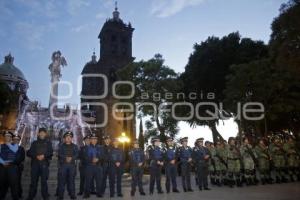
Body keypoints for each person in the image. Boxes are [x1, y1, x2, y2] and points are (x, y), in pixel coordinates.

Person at [26, 128, 53, 200]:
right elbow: (30, 152)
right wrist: (36, 156)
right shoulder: (34, 143)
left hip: (44, 164)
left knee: (44, 181)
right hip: (35, 164)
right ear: (38, 134)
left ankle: (45, 196)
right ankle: (31, 196)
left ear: (45, 134)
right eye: (40, 132)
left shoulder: (48, 143)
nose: (42, 134)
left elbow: (50, 152)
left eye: (43, 133)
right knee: (33, 181)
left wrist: (44, 156)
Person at [57, 131, 79, 200]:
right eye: (67, 137)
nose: (68, 138)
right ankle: (60, 196)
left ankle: (72, 195)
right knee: (61, 182)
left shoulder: (75, 146)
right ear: (64, 138)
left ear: (72, 138)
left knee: (71, 181)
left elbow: (77, 154)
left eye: (70, 137)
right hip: (63, 165)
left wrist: (72, 158)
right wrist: (65, 158)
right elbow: (59, 154)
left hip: (72, 166)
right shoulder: (61, 146)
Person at [0, 131, 22, 200]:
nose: (7, 137)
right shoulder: (0, 146)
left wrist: (8, 143)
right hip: (2, 167)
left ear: (11, 138)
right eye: (6, 136)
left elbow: (15, 150)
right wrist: (3, 162)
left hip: (12, 167)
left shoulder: (15, 145)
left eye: (9, 136)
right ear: (4, 137)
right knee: (1, 184)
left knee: (14, 185)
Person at [83, 133, 103, 198]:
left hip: (98, 166)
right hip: (89, 166)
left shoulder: (100, 147)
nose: (94, 140)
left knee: (99, 181)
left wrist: (98, 159)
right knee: (88, 181)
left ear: (97, 140)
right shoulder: (87, 148)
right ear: (90, 140)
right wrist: (92, 159)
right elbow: (85, 157)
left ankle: (99, 193)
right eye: (92, 139)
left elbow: (103, 156)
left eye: (95, 139)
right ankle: (87, 194)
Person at [12, 134, 25, 198]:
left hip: (17, 167)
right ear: (13, 140)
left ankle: (18, 194)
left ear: (19, 141)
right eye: (14, 139)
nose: (16, 141)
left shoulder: (21, 148)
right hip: (8, 167)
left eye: (17, 140)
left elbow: (22, 158)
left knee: (17, 182)